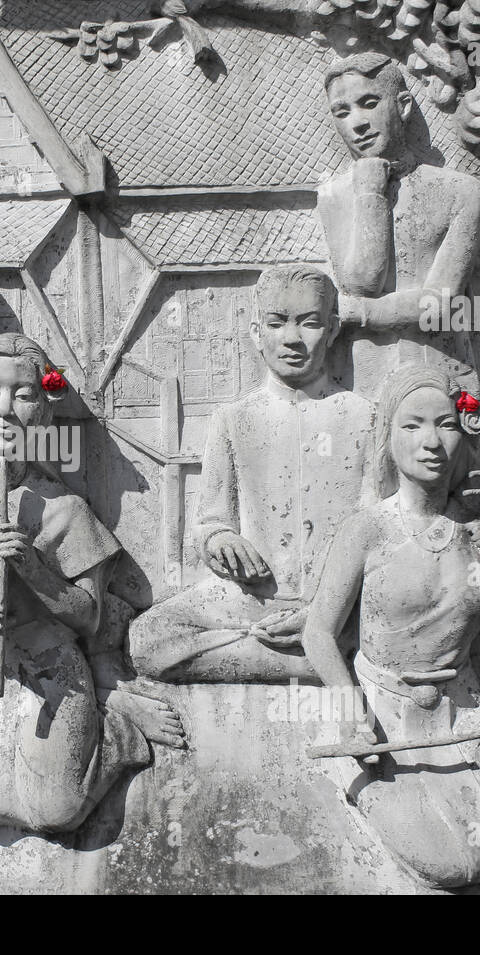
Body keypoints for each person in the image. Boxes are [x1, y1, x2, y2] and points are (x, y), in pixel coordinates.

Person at [302, 366, 480, 888]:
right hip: (386, 716)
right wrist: (353, 713)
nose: (431, 442)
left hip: (465, 711)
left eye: (446, 425)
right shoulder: (368, 530)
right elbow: (319, 633)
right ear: (387, 437)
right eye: (412, 426)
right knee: (447, 864)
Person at [0, 333, 178, 833]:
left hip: (50, 666)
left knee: (57, 811)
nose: (4, 409)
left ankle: (117, 730)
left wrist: (35, 570)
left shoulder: (64, 507)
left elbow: (88, 617)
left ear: (42, 412)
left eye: (23, 395)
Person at [129, 266, 373, 682]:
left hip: (340, 603)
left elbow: (377, 528)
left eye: (309, 323)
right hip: (253, 599)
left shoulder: (364, 416)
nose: (292, 338)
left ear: (332, 329)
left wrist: (326, 609)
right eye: (277, 323)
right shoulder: (234, 418)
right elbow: (211, 520)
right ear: (257, 333)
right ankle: (311, 663)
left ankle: (320, 641)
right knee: (149, 638)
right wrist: (220, 541)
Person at [317, 53, 480, 397]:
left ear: (403, 106)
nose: (357, 123)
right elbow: (362, 282)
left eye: (369, 104)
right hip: (364, 378)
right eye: (342, 112)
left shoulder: (461, 190)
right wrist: (370, 193)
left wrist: (359, 312)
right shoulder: (333, 195)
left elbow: (439, 305)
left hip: (443, 372)